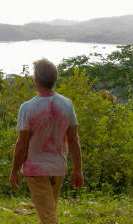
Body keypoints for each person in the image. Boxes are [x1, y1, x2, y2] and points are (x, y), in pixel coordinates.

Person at [10, 58, 84, 224]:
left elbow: (22, 143)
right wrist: (77, 169)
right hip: (58, 168)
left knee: (48, 217)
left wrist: (14, 170)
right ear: (54, 79)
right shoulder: (67, 104)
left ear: (35, 80)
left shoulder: (27, 108)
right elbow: (73, 140)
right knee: (49, 213)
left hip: (36, 170)